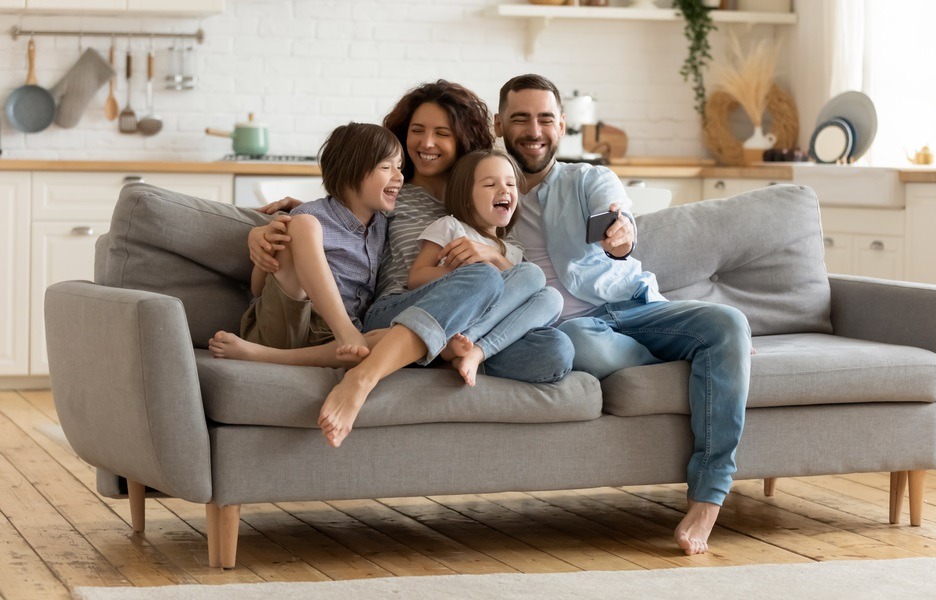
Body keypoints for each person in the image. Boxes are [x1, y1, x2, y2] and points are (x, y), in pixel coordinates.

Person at [494, 74, 752, 556]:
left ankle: (709, 494)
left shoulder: (587, 178)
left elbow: (619, 220)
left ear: (562, 125)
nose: (535, 130)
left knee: (728, 323)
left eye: (546, 118)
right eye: (521, 119)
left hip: (633, 309)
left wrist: (621, 236)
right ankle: (712, 360)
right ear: (499, 123)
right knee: (579, 343)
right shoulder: (486, 188)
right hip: (569, 329)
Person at [249, 80, 574, 448]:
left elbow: (516, 273)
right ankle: (366, 376)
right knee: (480, 278)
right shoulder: (394, 193)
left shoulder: (480, 197)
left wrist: (492, 254)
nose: (427, 143)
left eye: (442, 133)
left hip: (467, 326)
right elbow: (341, 208)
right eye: (417, 131)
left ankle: (446, 350)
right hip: (396, 310)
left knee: (555, 351)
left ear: (463, 140)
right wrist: (264, 231)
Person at [209, 122, 402, 369]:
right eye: (387, 167)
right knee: (304, 225)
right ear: (349, 172)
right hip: (285, 322)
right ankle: (343, 330)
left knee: (398, 336)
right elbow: (258, 288)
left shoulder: (382, 227)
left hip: (332, 342)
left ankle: (261, 356)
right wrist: (267, 248)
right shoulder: (306, 217)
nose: (399, 176)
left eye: (400, 167)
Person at [409, 148, 563, 386]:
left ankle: (475, 352)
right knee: (532, 274)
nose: (504, 190)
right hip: (456, 316)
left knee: (552, 296)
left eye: (511, 184)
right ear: (466, 196)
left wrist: (494, 256)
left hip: (491, 333)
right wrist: (461, 274)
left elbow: (524, 295)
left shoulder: (513, 250)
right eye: (490, 184)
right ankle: (457, 345)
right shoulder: (451, 227)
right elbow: (416, 278)